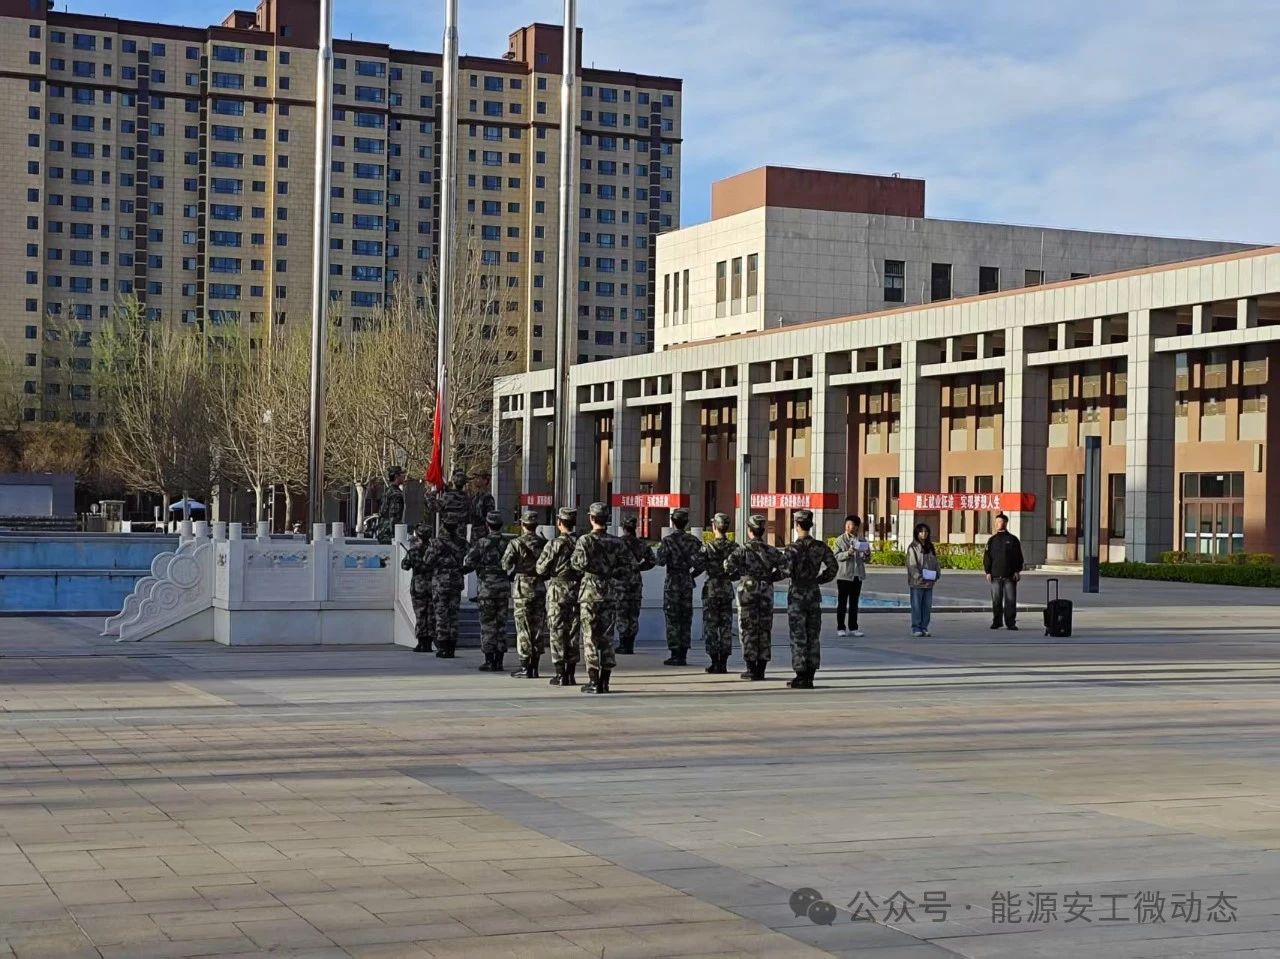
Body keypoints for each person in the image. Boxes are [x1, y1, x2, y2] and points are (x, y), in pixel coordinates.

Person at [571, 502, 636, 694]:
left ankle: (594, 680)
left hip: (590, 593)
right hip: (610, 592)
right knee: (607, 637)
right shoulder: (617, 542)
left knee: (590, 637)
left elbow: (577, 564)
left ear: (592, 518)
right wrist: (611, 572)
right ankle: (605, 681)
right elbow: (630, 567)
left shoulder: (585, 540)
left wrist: (594, 569)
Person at [778, 509, 838, 689]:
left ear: (797, 525)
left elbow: (784, 571)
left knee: (798, 636)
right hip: (813, 595)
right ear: (810, 525)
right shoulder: (820, 547)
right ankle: (810, 674)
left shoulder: (792, 549)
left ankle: (800, 674)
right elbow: (833, 567)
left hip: (797, 595)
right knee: (813, 635)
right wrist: (819, 579)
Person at [725, 513, 784, 681]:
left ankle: (751, 668)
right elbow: (786, 568)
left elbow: (728, 566)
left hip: (747, 591)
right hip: (766, 590)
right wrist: (771, 577)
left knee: (747, 628)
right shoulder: (771, 550)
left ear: (749, 530)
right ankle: (761, 669)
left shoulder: (742, 550)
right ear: (762, 530)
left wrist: (741, 575)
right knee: (764, 628)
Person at [536, 506, 581, 687]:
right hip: (577, 590)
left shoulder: (554, 544)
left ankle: (560, 673)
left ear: (559, 523)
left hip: (558, 590)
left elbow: (541, 568)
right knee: (573, 631)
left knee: (557, 631)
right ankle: (571, 673)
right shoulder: (582, 542)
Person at [653, 507, 705, 666]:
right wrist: (691, 575)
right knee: (686, 618)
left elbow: (660, 561)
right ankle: (683, 653)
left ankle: (675, 653)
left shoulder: (668, 541)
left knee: (673, 618)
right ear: (686, 522)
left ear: (672, 522)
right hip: (686, 582)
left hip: (672, 582)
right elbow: (702, 563)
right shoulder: (694, 541)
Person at [463, 511, 513, 672]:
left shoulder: (482, 543)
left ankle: (489, 659)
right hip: (503, 587)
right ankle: (499, 660)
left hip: (486, 588)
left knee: (487, 624)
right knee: (501, 624)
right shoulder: (508, 543)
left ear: (487, 525)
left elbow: (469, 562)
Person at [501, 509, 547, 679]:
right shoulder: (544, 543)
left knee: (523, 628)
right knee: (538, 627)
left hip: (522, 588)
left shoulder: (515, 543)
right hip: (539, 587)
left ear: (522, 524)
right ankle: (535, 666)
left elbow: (505, 564)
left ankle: (525, 666)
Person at [699, 513, 740, 674]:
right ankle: (723, 662)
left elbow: (698, 564)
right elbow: (739, 570)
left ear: (714, 527)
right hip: (726, 589)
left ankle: (714, 661)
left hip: (711, 590)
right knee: (725, 627)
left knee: (711, 627)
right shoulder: (735, 547)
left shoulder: (707, 547)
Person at [422, 515, 468, 657]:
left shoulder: (436, 543)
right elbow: (470, 557)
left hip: (440, 583)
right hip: (456, 582)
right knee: (453, 615)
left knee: (441, 615)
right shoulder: (462, 543)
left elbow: (427, 561)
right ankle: (452, 647)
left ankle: (442, 647)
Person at [614, 515, 654, 654]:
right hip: (635, 581)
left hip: (620, 581)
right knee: (633, 613)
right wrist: (638, 567)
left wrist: (616, 571)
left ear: (623, 528)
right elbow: (652, 561)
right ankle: (630, 644)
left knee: (622, 612)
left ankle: (623, 643)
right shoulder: (641, 544)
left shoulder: (618, 543)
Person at [983, 512, 1025, 630]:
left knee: (1010, 601)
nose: (998, 524)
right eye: (996, 522)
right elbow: (987, 557)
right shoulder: (992, 540)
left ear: (1006, 523)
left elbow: (1018, 557)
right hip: (995, 576)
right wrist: (988, 572)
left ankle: (1010, 623)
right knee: (996, 601)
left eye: (1000, 521)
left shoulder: (1012, 539)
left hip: (1009, 576)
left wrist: (1017, 571)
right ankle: (997, 621)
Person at [833, 515, 870, 638]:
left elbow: (867, 559)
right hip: (844, 576)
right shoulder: (840, 540)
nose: (848, 527)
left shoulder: (862, 540)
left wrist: (866, 554)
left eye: (851, 525)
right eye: (847, 525)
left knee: (854, 603)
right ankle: (841, 627)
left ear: (857, 527)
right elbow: (836, 556)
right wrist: (848, 553)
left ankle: (853, 628)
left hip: (857, 575)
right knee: (842, 603)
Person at [400, 523, 435, 652]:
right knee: (431, 615)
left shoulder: (413, 551)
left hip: (418, 586)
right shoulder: (434, 550)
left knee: (420, 615)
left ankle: (421, 642)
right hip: (433, 586)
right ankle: (429, 643)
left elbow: (405, 566)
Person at [906, 522, 941, 638]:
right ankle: (916, 627)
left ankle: (924, 627)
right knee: (916, 606)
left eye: (926, 531)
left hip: (929, 582)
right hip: (917, 583)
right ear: (917, 533)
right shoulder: (913, 547)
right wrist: (918, 576)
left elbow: (935, 562)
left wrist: (937, 574)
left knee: (927, 606)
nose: (924, 534)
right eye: (921, 531)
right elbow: (912, 565)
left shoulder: (930, 547)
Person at [375, 465, 407, 544]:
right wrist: (396, 535)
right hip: (389, 534)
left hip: (383, 530)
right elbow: (394, 516)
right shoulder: (396, 494)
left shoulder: (388, 491)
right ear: (396, 476)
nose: (404, 476)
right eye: (402, 474)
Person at [469, 474, 497, 544]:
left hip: (483, 532)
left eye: (478, 478)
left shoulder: (488, 498)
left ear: (485, 481)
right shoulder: (475, 497)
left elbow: (490, 517)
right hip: (474, 532)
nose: (476, 480)